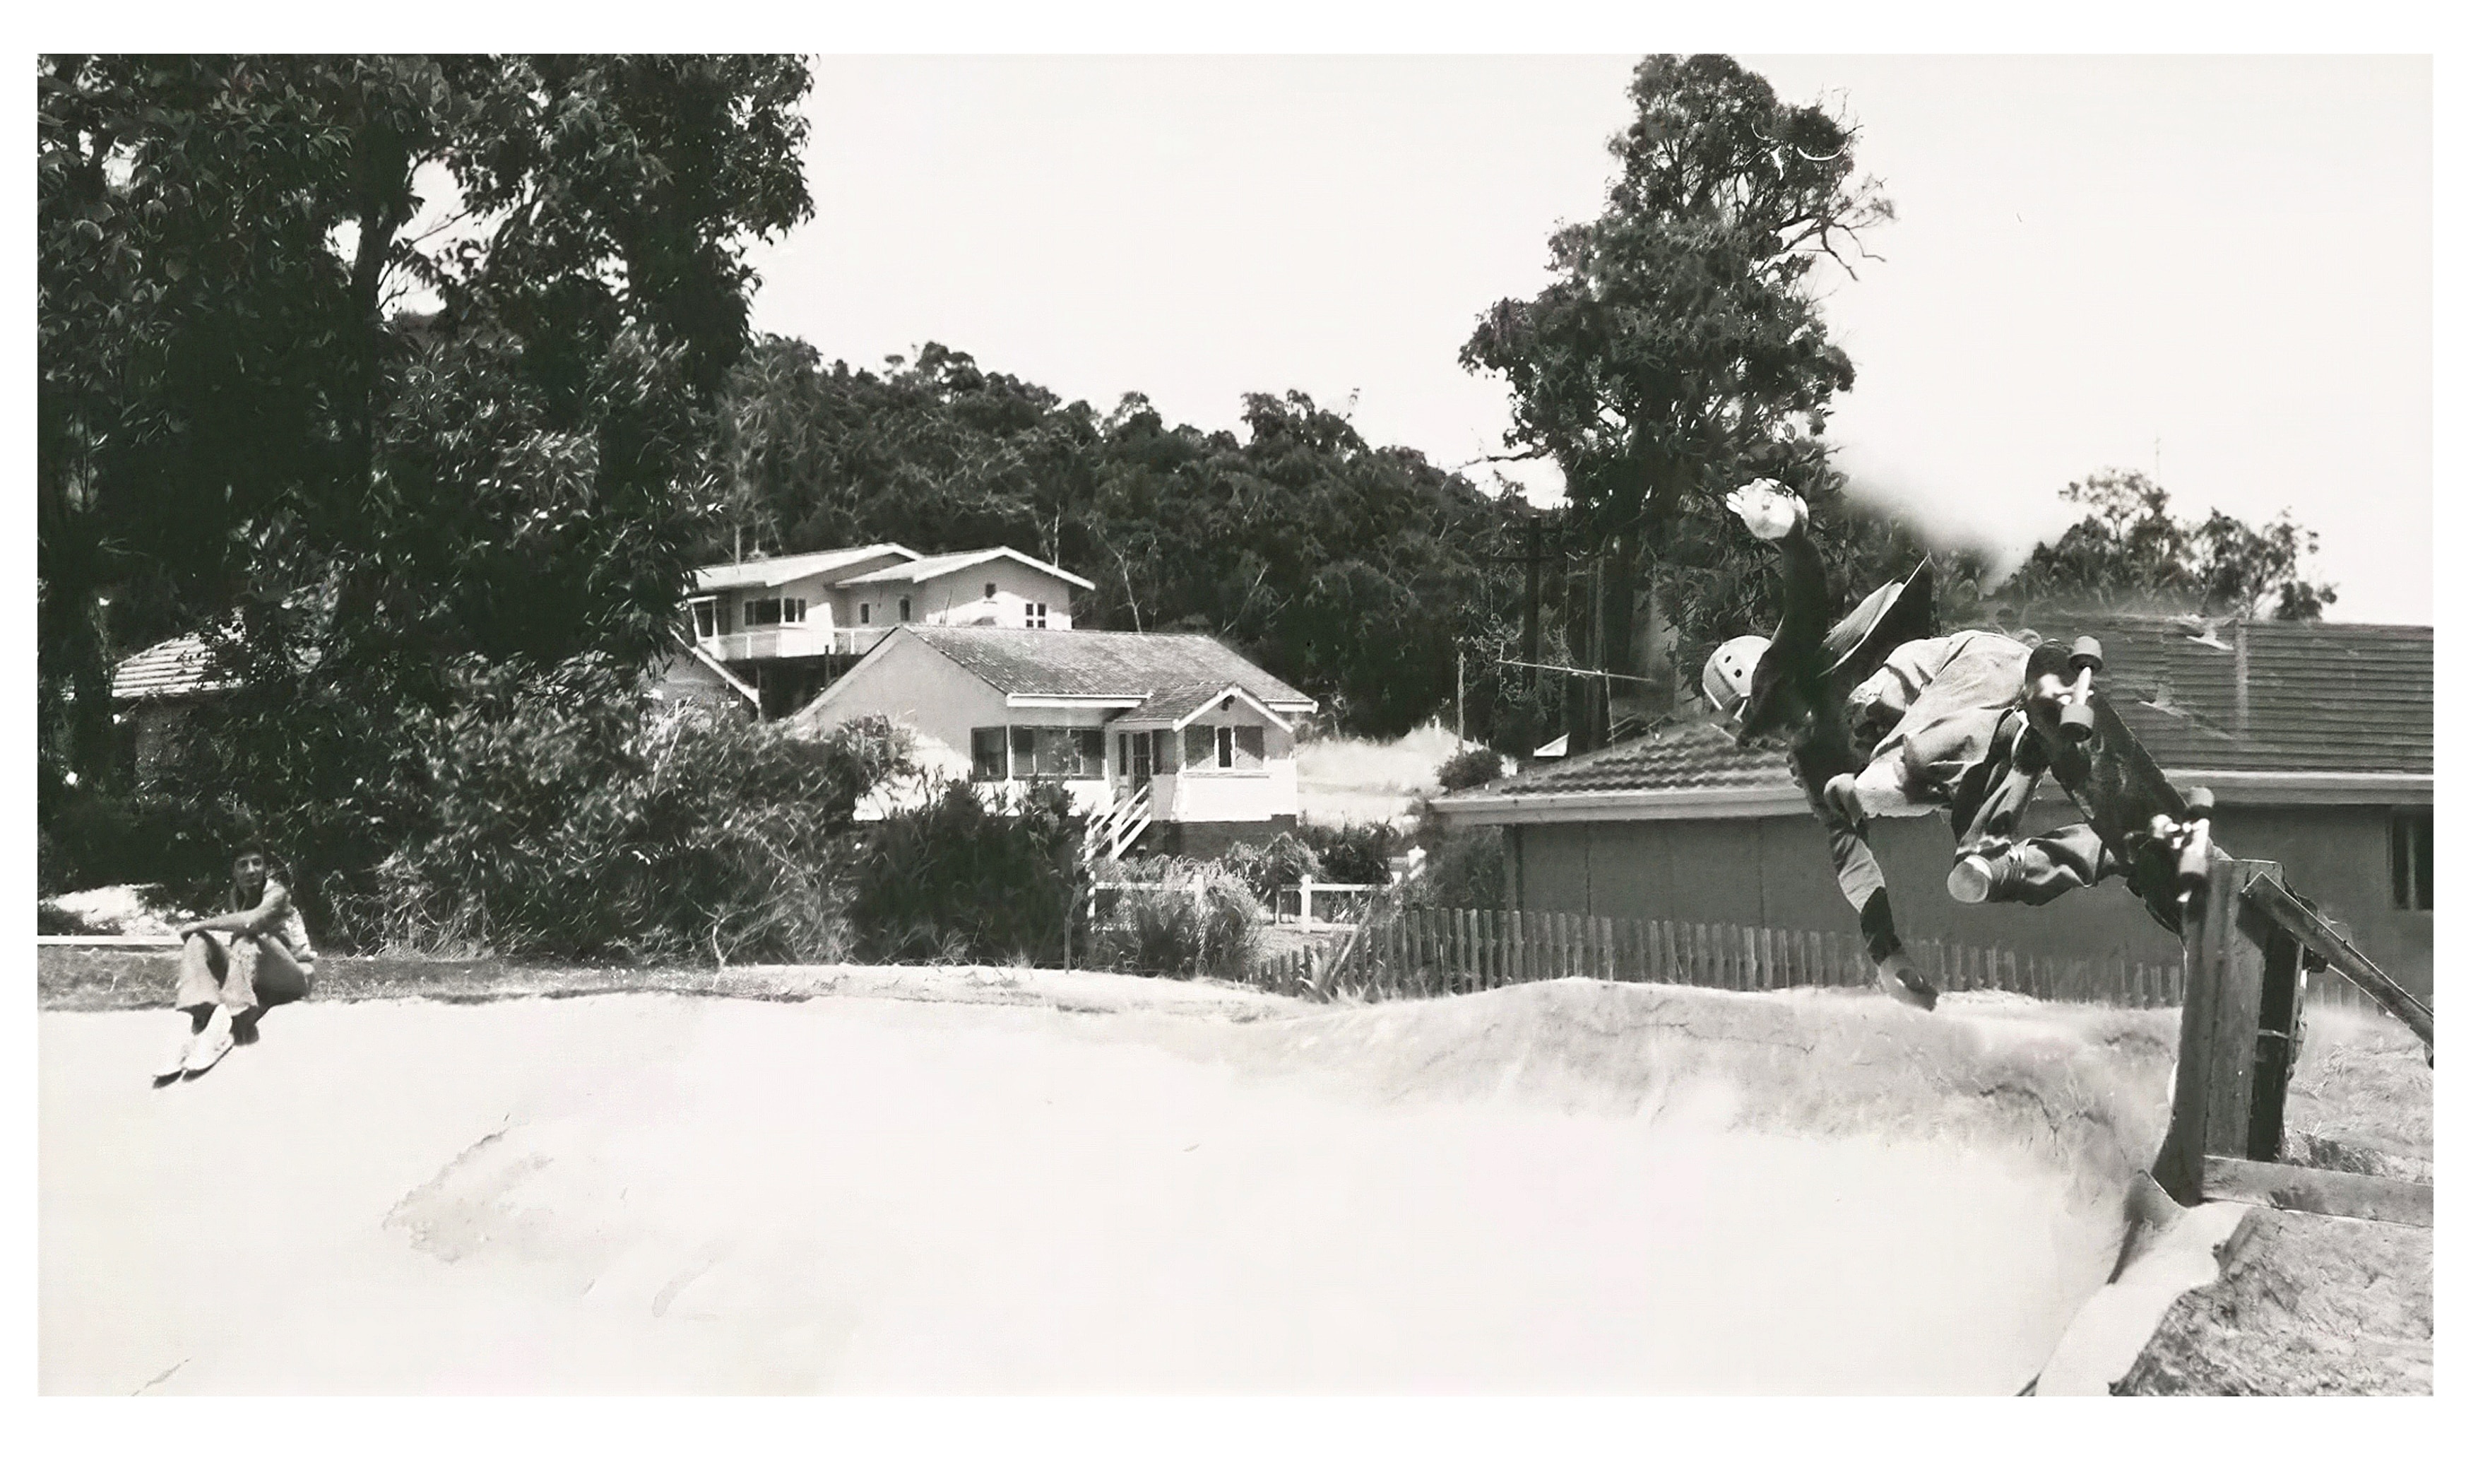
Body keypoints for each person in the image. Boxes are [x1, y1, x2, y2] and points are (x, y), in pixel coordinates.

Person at [1703, 480, 2125, 1012]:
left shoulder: (1796, 665)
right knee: (1978, 861)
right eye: (1766, 731)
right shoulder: (1812, 764)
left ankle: (2002, 733)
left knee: (1879, 758)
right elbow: (1855, 864)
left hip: (1969, 668)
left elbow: (1806, 593)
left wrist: (1789, 536)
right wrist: (1888, 955)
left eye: (1772, 715)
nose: (1784, 732)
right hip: (1979, 728)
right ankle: (2109, 849)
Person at [155, 842, 316, 1083]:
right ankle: (203, 1014)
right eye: (243, 865)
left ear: (265, 868)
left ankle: (227, 1022)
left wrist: (200, 923)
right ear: (234, 872)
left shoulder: (276, 893)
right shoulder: (237, 895)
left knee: (247, 935)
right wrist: (199, 933)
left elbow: (251, 922)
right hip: (262, 972)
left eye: (257, 863)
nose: (251, 870)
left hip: (294, 974)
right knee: (197, 941)